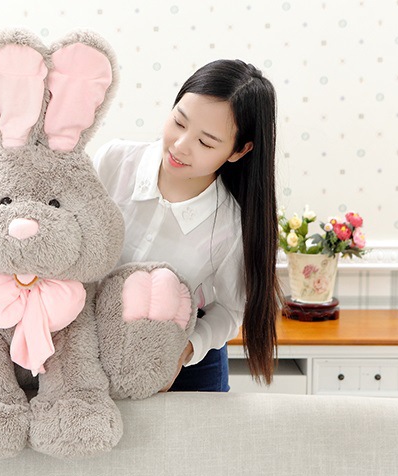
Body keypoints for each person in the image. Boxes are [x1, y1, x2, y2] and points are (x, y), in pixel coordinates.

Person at [93, 59, 281, 391]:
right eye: (179, 122)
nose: (180, 146)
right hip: (91, 347)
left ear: (239, 151)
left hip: (184, 365)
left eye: (206, 142)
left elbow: (229, 310)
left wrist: (184, 351)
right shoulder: (113, 161)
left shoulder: (232, 225)